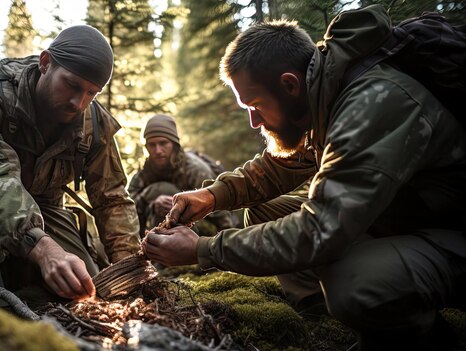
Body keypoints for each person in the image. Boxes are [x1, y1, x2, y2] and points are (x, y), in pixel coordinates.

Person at [143, 5, 466, 350]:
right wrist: (212, 196)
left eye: (255, 105)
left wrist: (204, 249)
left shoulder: (373, 102)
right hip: (404, 214)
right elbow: (274, 168)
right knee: (264, 212)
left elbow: (321, 230)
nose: (254, 121)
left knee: (359, 283)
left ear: (289, 84)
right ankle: (325, 317)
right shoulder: (325, 94)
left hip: (450, 232)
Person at [0, 25, 140, 302]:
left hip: (44, 208)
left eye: (91, 93)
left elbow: (113, 198)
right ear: (45, 64)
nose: (78, 102)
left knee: (85, 288)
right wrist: (44, 249)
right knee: (4, 288)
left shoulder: (95, 124)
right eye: (71, 85)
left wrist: (127, 266)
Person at [128, 114, 236, 237]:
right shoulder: (144, 173)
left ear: (174, 144)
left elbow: (222, 218)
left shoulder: (196, 170)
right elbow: (126, 211)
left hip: (203, 232)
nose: (158, 150)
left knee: (164, 190)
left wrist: (182, 209)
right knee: (158, 191)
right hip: (154, 229)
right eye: (152, 145)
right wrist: (152, 205)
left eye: (163, 143)